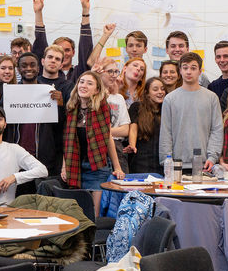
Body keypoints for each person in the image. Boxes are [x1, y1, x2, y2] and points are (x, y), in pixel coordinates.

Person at [61, 71, 125, 215]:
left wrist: (117, 167)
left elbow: (108, 138)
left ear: (96, 90)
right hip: (75, 166)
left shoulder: (102, 108)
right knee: (78, 213)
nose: (84, 85)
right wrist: (64, 166)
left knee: (94, 215)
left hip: (97, 167)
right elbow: (67, 141)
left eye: (89, 83)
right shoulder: (71, 108)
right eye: (82, 82)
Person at [159, 52, 223, 173]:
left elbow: (216, 129)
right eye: (185, 68)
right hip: (176, 164)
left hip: (205, 164)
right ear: (180, 71)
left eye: (193, 68)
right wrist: (166, 161)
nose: (189, 72)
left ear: (200, 71)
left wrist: (212, 157)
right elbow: (166, 132)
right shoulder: (170, 99)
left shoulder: (211, 98)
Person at [6, 52, 65, 176]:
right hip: (16, 159)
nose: (28, 68)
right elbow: (3, 124)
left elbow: (60, 127)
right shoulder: (10, 93)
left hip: (44, 158)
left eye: (32, 65)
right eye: (24, 65)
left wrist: (60, 105)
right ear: (18, 69)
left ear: (38, 68)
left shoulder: (49, 92)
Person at [32, 0, 93, 86]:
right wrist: (38, 13)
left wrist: (85, 11)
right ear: (43, 61)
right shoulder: (46, 71)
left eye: (67, 50)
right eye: (59, 50)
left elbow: (85, 46)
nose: (64, 54)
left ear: (73, 52)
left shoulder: (79, 71)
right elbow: (40, 44)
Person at [93, 57, 131, 173]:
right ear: (100, 72)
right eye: (110, 71)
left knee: (121, 179)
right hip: (97, 146)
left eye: (116, 71)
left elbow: (125, 130)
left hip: (117, 146)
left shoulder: (118, 98)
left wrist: (104, 131)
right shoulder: (93, 96)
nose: (114, 75)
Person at [125, 77, 166, 174]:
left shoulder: (167, 109)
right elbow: (133, 129)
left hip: (161, 161)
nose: (160, 92)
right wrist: (132, 145)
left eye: (162, 89)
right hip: (140, 160)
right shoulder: (137, 107)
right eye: (155, 89)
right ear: (147, 93)